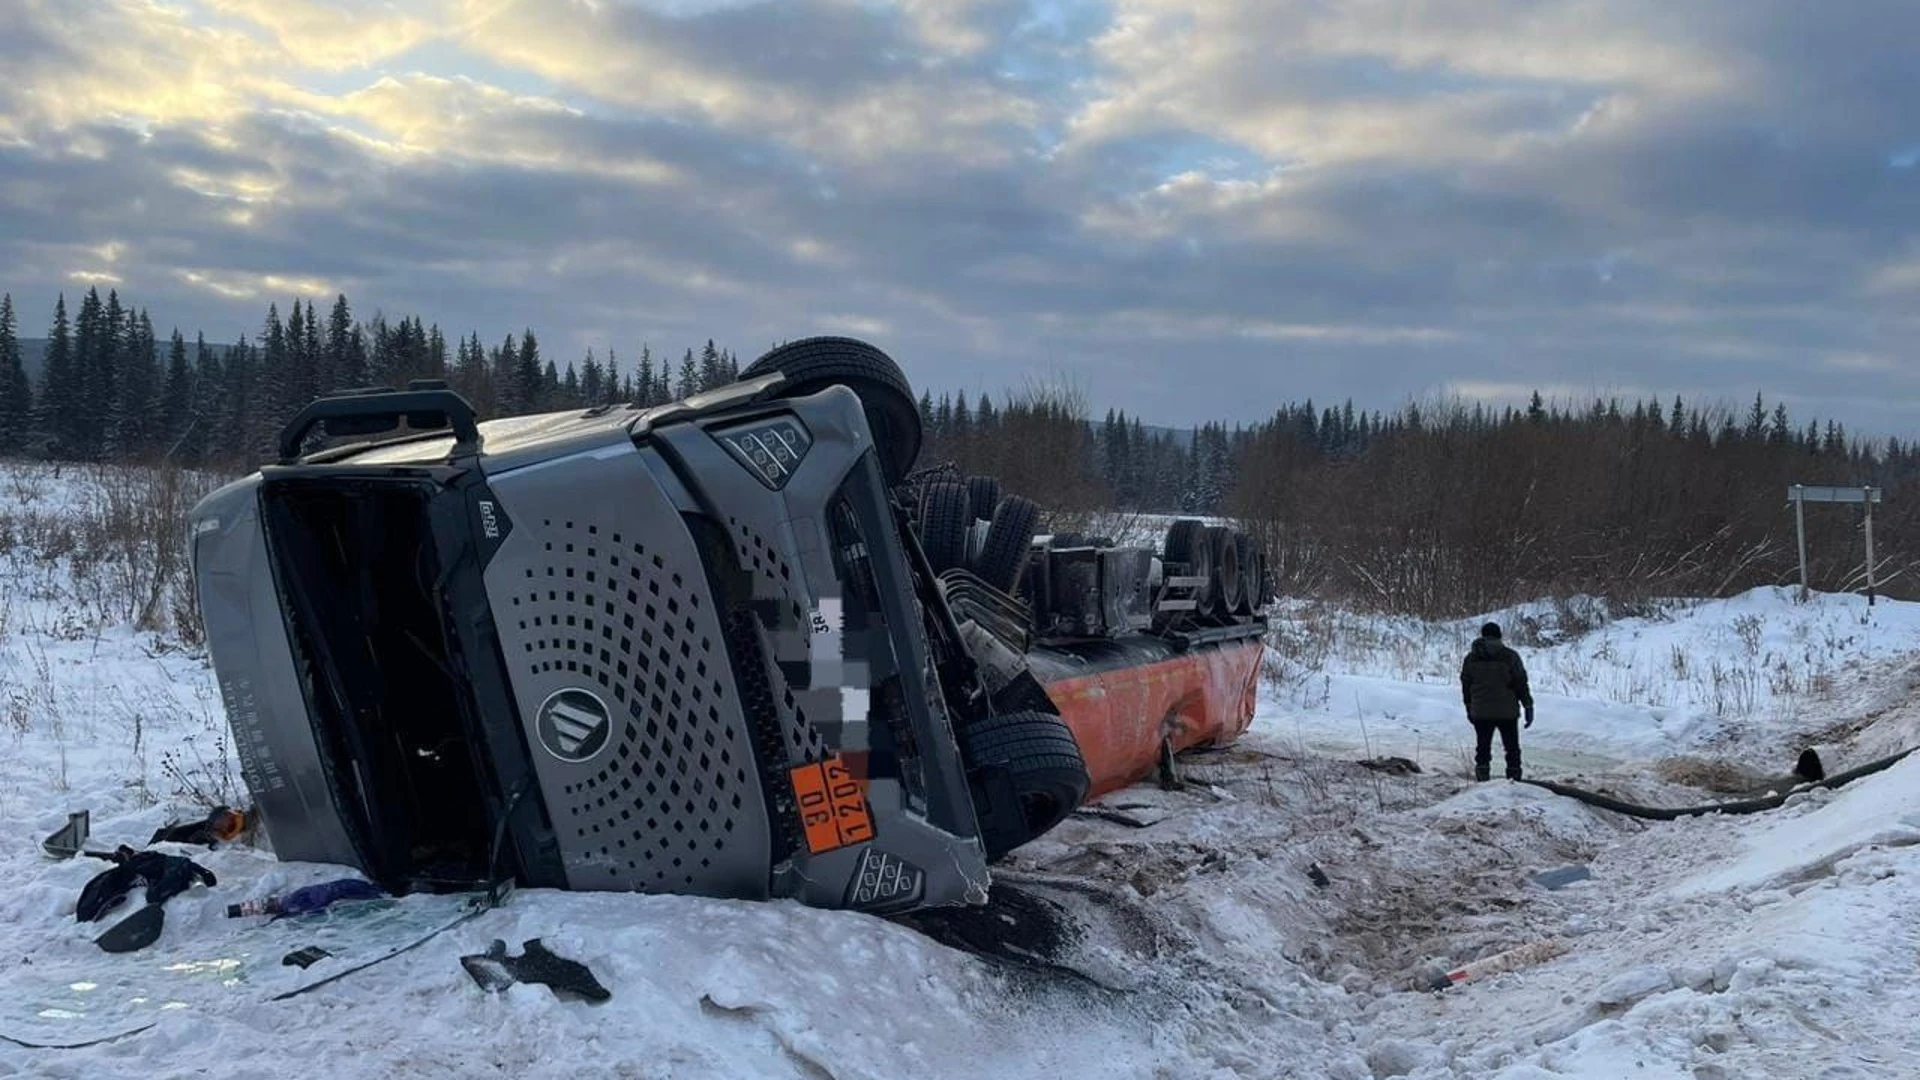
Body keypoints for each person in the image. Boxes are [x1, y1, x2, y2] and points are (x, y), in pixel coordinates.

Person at [1461, 621, 1534, 781]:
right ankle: (1514, 779)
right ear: (1499, 636)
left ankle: (1482, 778)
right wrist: (1528, 705)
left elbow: (1466, 684)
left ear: (1483, 635)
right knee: (1512, 748)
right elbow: (1521, 683)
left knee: (1483, 747)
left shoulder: (1472, 658)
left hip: (1481, 711)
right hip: (1507, 711)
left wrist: (1468, 706)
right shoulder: (1510, 656)